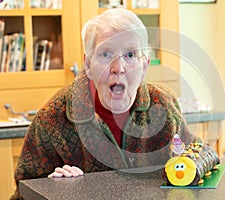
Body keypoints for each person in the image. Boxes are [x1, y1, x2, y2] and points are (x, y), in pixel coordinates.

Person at [10, 8, 200, 199]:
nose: (118, 68)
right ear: (88, 65)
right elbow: (23, 193)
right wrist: (49, 190)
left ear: (145, 66)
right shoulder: (53, 118)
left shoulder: (164, 105)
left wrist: (189, 165)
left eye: (130, 55)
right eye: (105, 54)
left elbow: (199, 156)